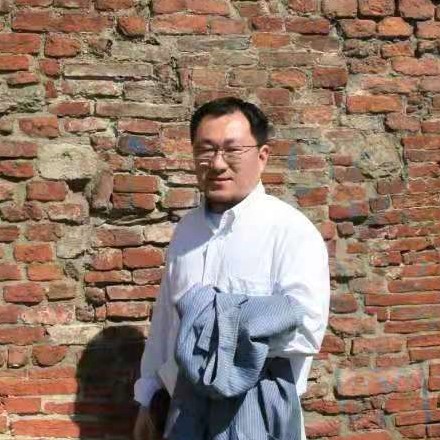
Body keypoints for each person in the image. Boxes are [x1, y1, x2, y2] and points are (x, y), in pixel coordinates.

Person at [133, 97, 330, 440]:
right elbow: (166, 323)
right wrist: (147, 397)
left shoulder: (290, 231)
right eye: (205, 150)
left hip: (258, 414)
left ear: (262, 156)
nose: (217, 164)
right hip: (183, 415)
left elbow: (307, 329)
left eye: (232, 150)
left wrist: (212, 327)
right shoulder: (187, 231)